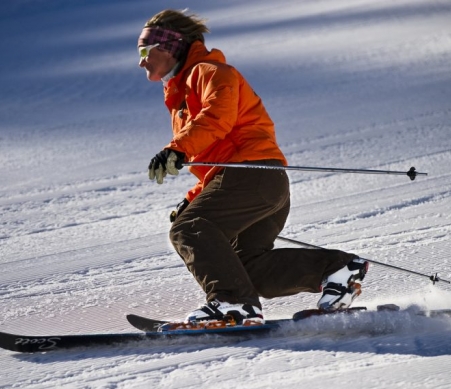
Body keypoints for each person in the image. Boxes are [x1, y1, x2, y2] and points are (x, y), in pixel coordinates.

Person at [138, 9, 369, 327]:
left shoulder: (209, 71)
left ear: (169, 46)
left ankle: (234, 304)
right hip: (259, 184)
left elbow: (218, 116)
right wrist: (193, 198)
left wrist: (176, 149)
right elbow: (214, 158)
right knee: (246, 268)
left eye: (145, 51)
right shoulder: (182, 100)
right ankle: (336, 270)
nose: (141, 61)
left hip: (252, 174)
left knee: (189, 229)